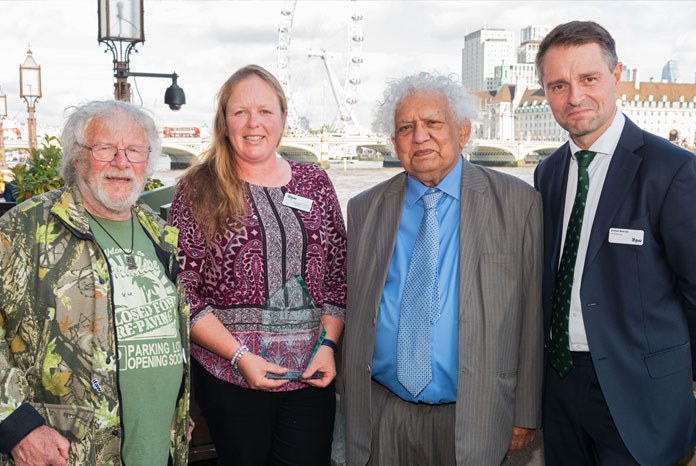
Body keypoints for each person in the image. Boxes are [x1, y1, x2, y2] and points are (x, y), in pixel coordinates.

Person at [342, 72, 544, 466]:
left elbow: (532, 312)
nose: (420, 137)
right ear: (394, 142)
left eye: (433, 123)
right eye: (406, 128)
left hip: (477, 412)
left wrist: (526, 411)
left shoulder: (518, 202)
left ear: (463, 131)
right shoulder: (364, 209)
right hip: (384, 411)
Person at [534, 21, 696, 466]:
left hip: (640, 392)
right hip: (561, 386)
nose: (575, 97)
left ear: (616, 75)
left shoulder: (673, 171)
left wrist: (682, 382)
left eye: (589, 79)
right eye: (558, 85)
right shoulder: (547, 174)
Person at [168, 64, 346, 466]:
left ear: (283, 118)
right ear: (224, 122)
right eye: (240, 112)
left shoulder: (315, 182)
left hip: (310, 376)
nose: (254, 123)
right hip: (230, 377)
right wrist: (239, 357)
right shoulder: (198, 188)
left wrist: (328, 346)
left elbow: (338, 275)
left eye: (265, 111)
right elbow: (182, 286)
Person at [0, 100, 191, 465]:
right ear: (76, 156)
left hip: (155, 448)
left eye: (134, 150)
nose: (121, 162)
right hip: (68, 452)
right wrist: (17, 426)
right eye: (105, 148)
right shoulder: (25, 229)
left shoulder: (158, 231)